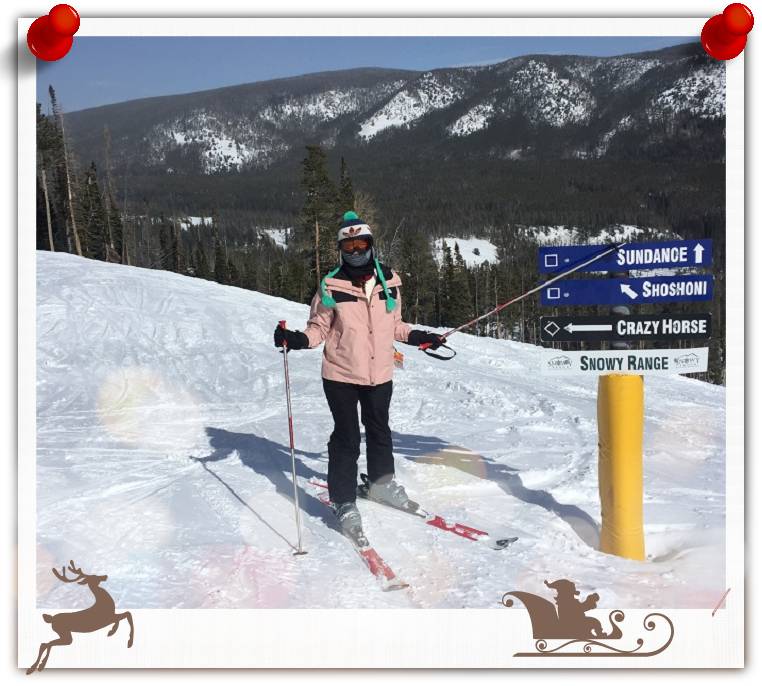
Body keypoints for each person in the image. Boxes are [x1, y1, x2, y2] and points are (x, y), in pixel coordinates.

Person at [273, 211, 445, 540]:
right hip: (340, 373)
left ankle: (381, 485)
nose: (355, 250)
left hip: (379, 371)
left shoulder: (390, 281)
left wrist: (420, 336)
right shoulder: (331, 285)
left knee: (380, 430)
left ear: (370, 245)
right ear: (341, 249)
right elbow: (318, 329)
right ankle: (343, 498)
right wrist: (295, 339)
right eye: (348, 245)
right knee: (348, 436)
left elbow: (395, 325)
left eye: (360, 243)